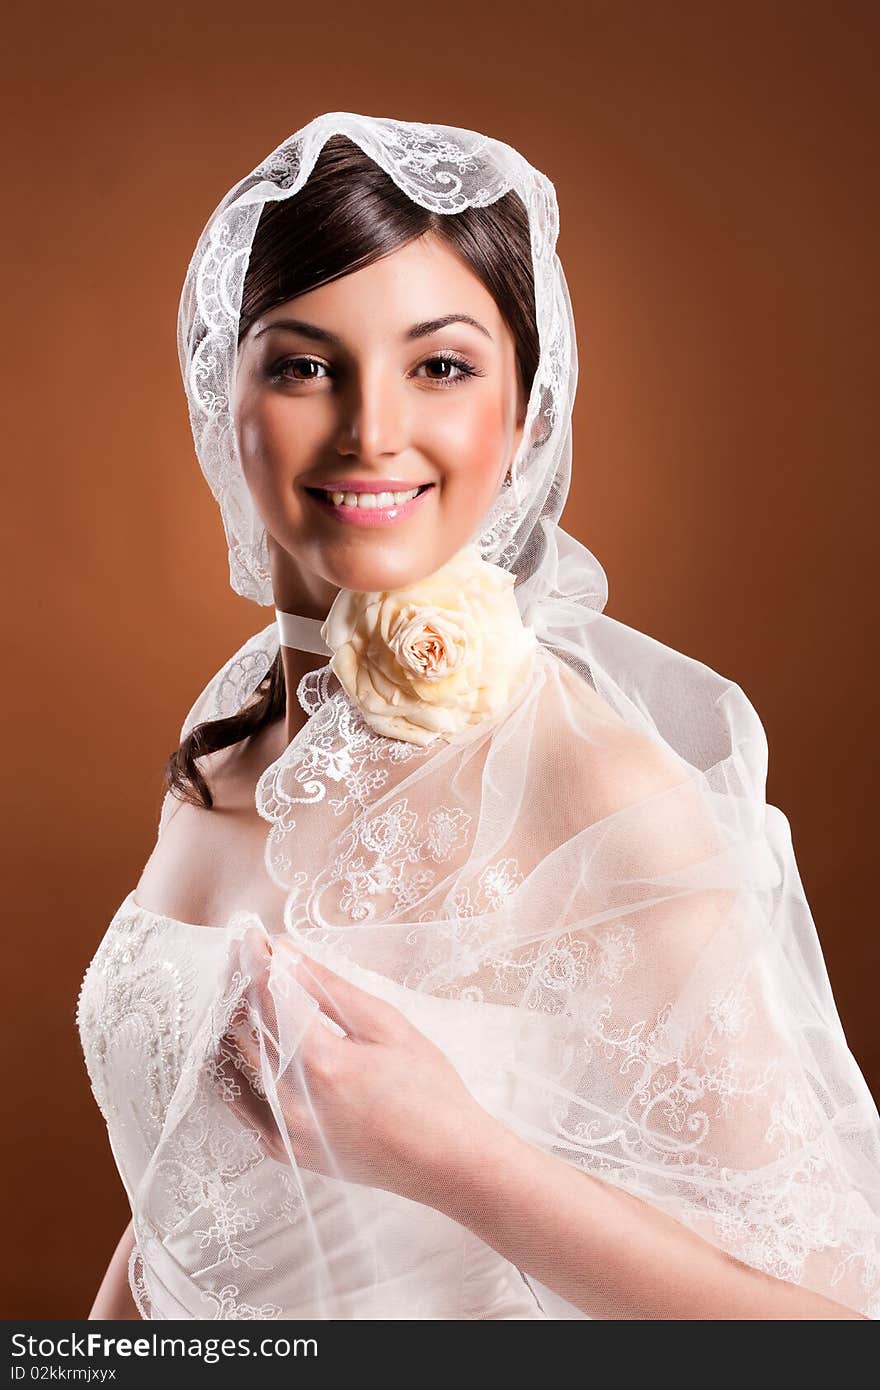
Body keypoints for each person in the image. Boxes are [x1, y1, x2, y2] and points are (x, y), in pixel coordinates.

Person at [77, 112, 880, 1321]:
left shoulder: (591, 784)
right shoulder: (237, 748)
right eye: (302, 364)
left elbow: (829, 1333)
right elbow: (188, 1201)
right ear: (218, 395)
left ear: (530, 416)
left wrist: (453, 1157)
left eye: (440, 366)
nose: (371, 429)